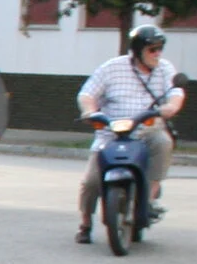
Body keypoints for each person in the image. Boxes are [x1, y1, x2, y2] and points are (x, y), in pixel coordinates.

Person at [75, 25, 184, 242]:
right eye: (152, 50)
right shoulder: (112, 68)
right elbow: (87, 94)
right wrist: (89, 110)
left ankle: (150, 199)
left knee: (162, 141)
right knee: (91, 181)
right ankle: (85, 223)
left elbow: (176, 92)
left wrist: (172, 106)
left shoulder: (164, 69)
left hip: (147, 130)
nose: (157, 54)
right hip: (111, 133)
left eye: (160, 49)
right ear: (137, 50)